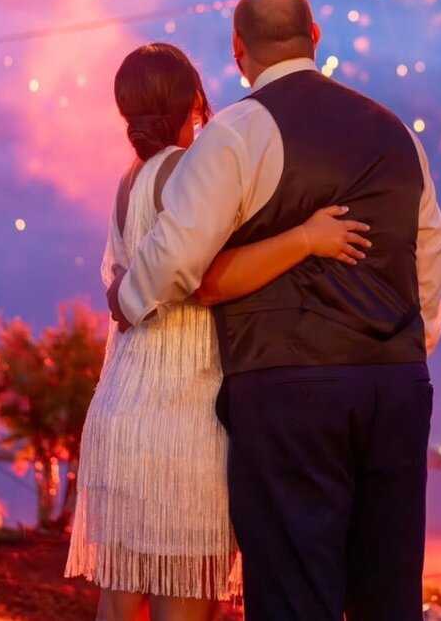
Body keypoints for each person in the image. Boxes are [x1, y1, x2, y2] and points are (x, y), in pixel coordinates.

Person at [107, 0, 441, 621]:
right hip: (397, 384)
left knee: (295, 592)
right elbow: (428, 249)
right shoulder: (394, 130)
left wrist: (127, 297)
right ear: (315, 36)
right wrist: (412, 342)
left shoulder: (236, 132)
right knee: (389, 590)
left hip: (287, 386)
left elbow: (180, 255)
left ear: (239, 50)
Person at [66, 42, 370, 621]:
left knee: (119, 603)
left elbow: (124, 286)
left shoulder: (127, 181)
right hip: (185, 417)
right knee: (185, 605)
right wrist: (306, 238)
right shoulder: (191, 169)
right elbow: (208, 278)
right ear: (194, 99)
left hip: (120, 412)